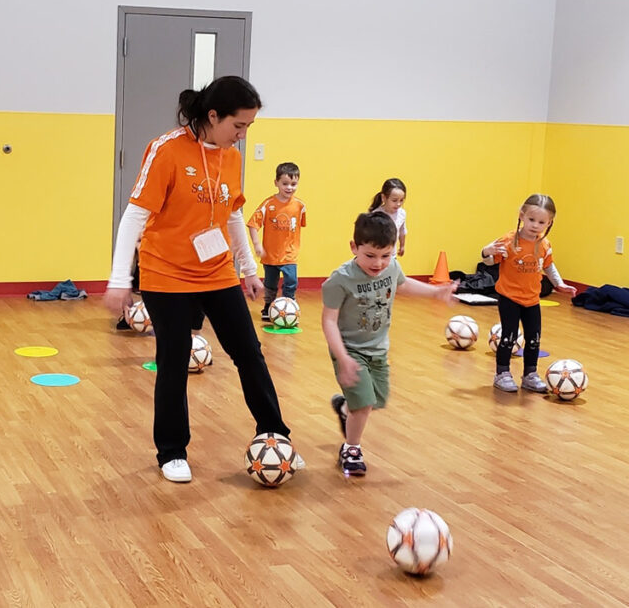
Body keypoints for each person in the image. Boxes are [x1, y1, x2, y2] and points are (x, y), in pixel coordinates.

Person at [104, 76, 302, 484]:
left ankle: (275, 434)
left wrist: (248, 269)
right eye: (238, 126)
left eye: (249, 127)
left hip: (216, 271)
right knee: (174, 363)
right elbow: (135, 216)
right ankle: (172, 451)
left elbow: (230, 214)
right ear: (213, 116)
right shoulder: (166, 150)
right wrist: (119, 278)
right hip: (167, 273)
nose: (242, 135)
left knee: (249, 352)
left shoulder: (230, 157)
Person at [323, 212, 456, 477]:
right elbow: (328, 321)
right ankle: (351, 450)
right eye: (370, 256)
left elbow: (403, 286)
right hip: (350, 349)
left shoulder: (391, 268)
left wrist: (435, 292)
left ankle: (344, 408)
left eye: (385, 255)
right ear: (354, 247)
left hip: (378, 349)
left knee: (375, 401)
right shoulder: (340, 280)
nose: (379, 263)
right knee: (364, 405)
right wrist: (343, 357)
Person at [480, 194, 576, 393]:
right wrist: (486, 251)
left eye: (542, 222)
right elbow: (489, 261)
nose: (535, 225)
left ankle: (530, 374)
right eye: (532, 220)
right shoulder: (508, 241)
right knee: (509, 335)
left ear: (549, 223)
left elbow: (549, 266)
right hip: (509, 297)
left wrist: (560, 284)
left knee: (534, 337)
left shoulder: (544, 244)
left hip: (532, 299)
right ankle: (502, 373)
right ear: (522, 216)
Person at [247, 162, 306, 320]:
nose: (289, 188)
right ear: (276, 183)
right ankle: (268, 306)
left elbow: (298, 227)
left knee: (291, 280)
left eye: (293, 184)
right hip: (271, 254)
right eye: (285, 183)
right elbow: (253, 224)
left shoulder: (300, 206)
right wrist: (257, 245)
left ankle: (288, 305)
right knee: (270, 283)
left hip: (289, 254)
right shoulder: (268, 204)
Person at [369, 178, 407, 256]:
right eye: (394, 200)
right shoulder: (377, 214)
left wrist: (402, 246)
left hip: (392, 255)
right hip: (378, 256)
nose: (399, 204)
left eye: (401, 200)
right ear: (384, 198)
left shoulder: (402, 213)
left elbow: (402, 230)